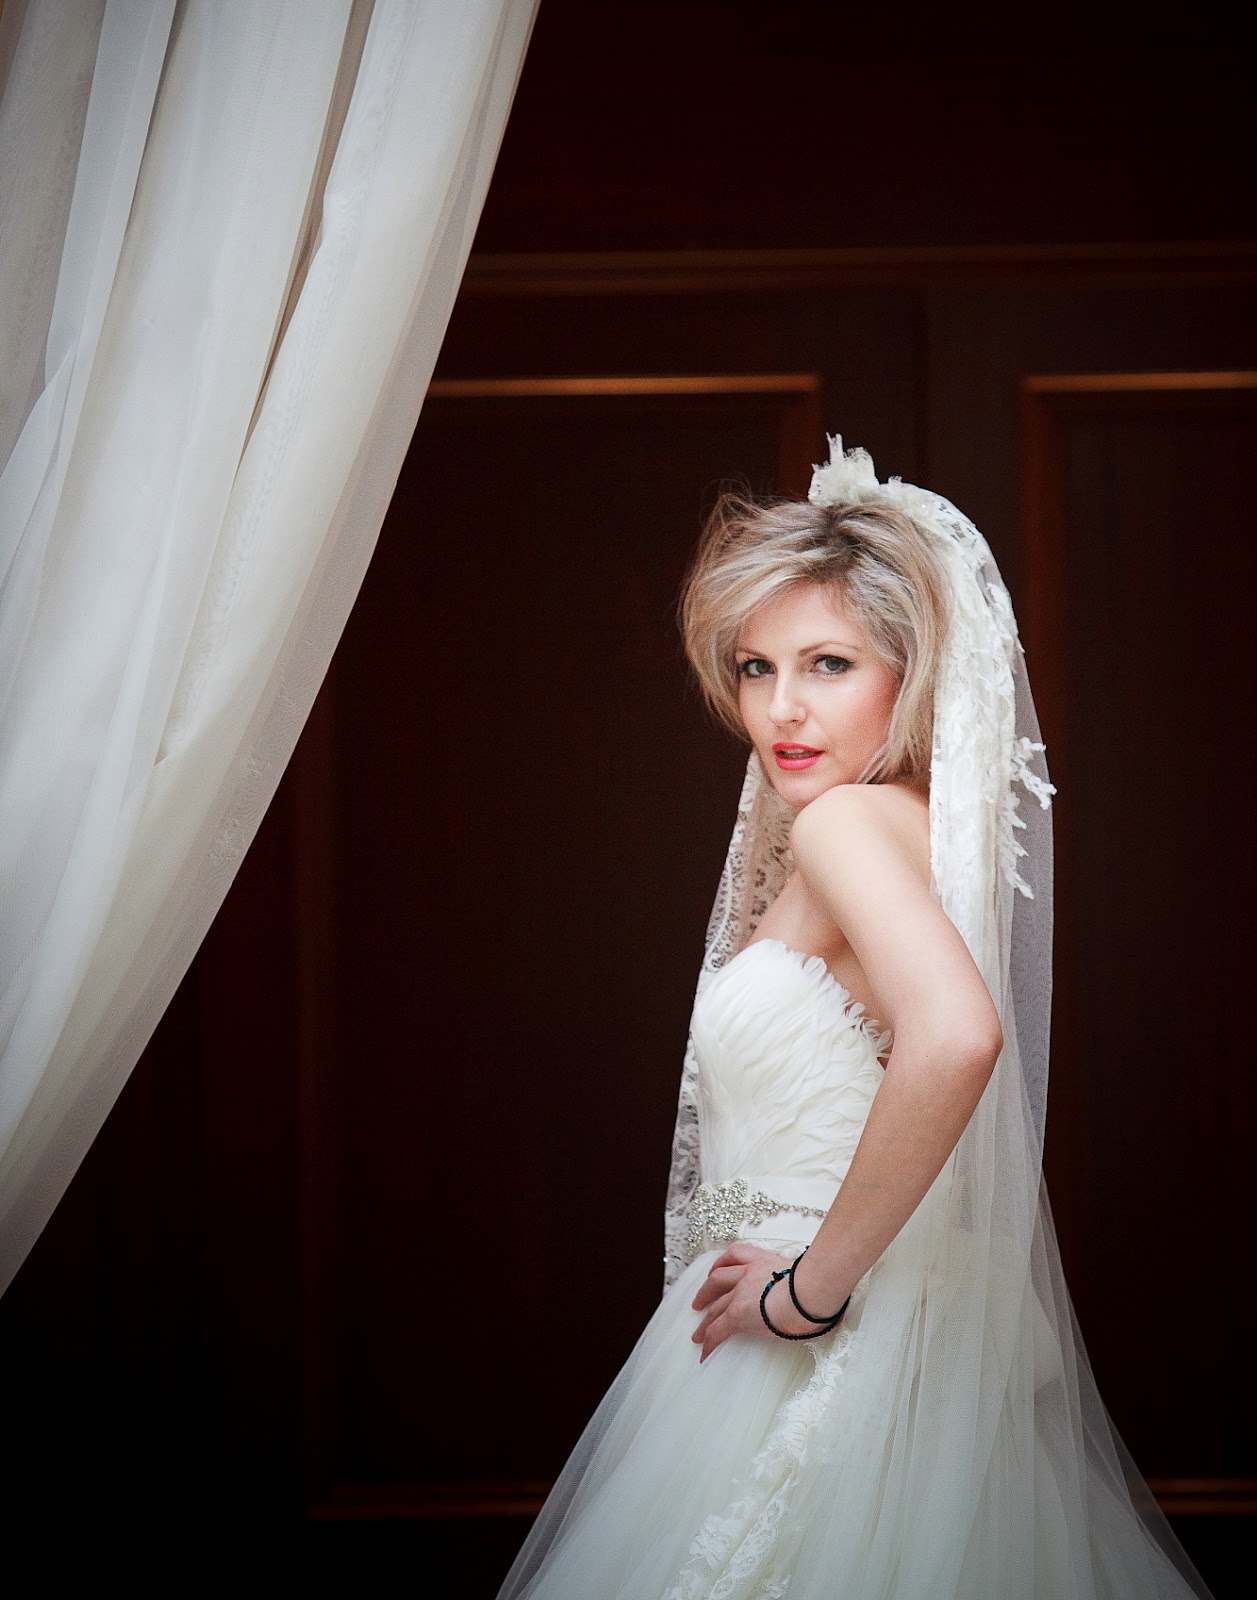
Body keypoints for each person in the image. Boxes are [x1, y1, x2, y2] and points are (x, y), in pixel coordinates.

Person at [497, 440, 1212, 1599]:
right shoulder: (915, 828)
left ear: (911, 673)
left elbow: (957, 1035)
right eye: (756, 666)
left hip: (816, 1335)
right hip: (865, 1328)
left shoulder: (843, 826)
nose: (780, 708)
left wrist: (809, 1290)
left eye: (828, 664)